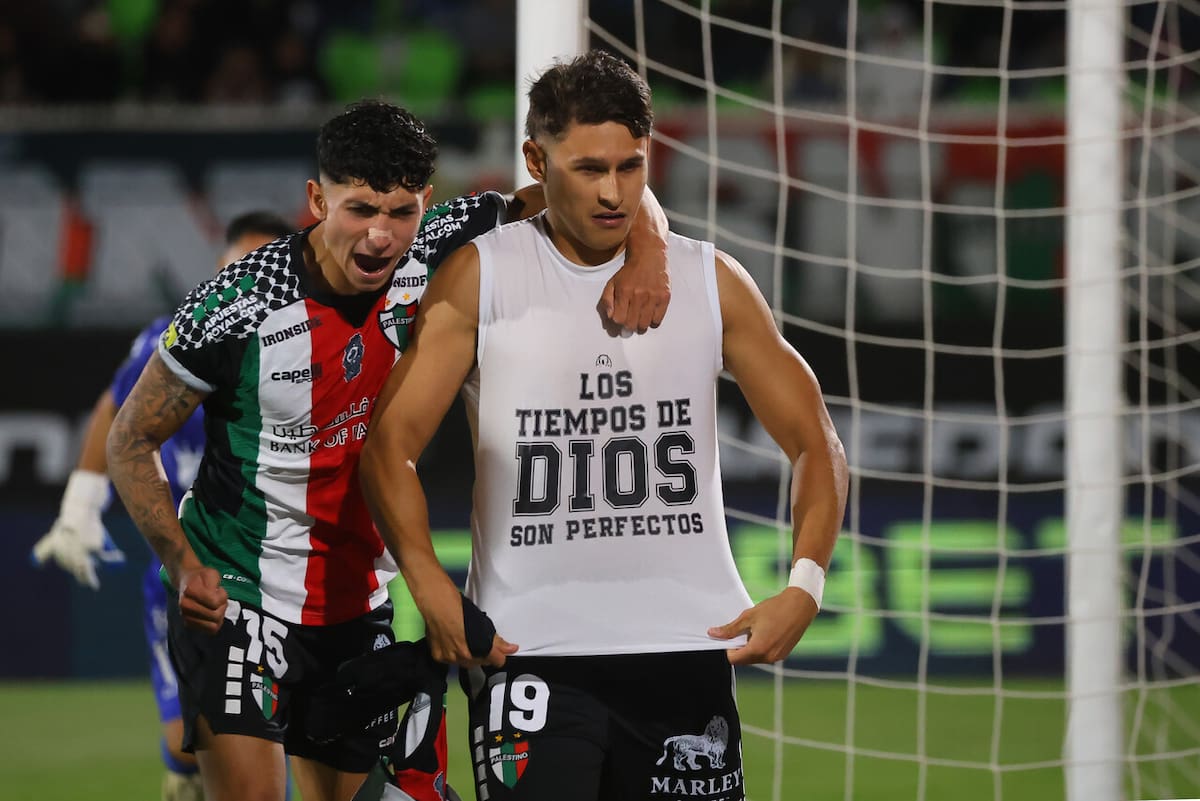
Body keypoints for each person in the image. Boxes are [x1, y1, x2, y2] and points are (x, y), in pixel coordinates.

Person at [106, 99, 671, 801]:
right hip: (238, 598)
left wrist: (649, 254)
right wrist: (181, 563)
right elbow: (129, 439)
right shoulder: (241, 302)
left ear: (426, 202)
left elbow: (600, 195)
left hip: (356, 603)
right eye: (359, 209)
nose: (380, 236)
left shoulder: (441, 244)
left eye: (401, 212)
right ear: (317, 199)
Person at [359, 50, 848, 801]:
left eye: (632, 166)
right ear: (535, 159)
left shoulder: (708, 281)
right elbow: (390, 445)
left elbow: (815, 440)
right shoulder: (482, 275)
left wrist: (806, 584)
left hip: (687, 650)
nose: (613, 192)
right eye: (589, 168)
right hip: (530, 652)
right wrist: (430, 583)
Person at [32, 210, 296, 801]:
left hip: (278, 569)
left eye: (263, 271)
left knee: (283, 748)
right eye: (237, 270)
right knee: (189, 752)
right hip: (189, 570)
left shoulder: (310, 346)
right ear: (218, 269)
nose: (248, 286)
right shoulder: (176, 336)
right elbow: (115, 405)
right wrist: (80, 505)